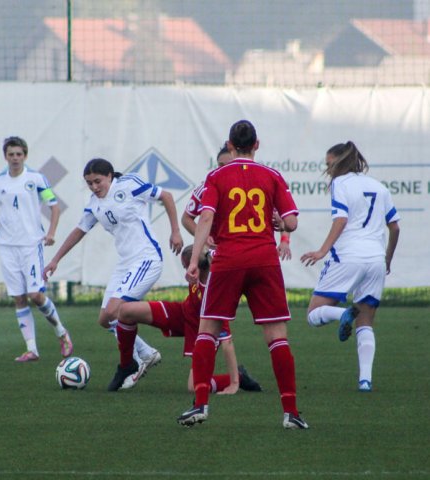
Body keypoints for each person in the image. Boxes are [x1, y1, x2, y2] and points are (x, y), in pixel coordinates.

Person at [177, 120, 308, 429]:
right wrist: (278, 224)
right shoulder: (272, 176)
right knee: (277, 337)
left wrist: (194, 259)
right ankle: (291, 412)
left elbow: (205, 217)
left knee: (207, 330)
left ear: (230, 145)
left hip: (228, 261)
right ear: (257, 145)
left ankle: (200, 405)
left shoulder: (216, 176)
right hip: (264, 260)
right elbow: (291, 222)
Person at [43, 158, 184, 386]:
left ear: (109, 176)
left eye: (98, 181)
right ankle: (146, 353)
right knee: (104, 319)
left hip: (146, 258)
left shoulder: (128, 185)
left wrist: (175, 232)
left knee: (114, 311)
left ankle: (133, 363)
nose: (94, 187)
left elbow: (166, 196)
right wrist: (55, 260)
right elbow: (79, 230)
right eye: (89, 183)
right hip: (125, 264)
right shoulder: (94, 203)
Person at [300, 141, 400, 393]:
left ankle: (342, 313)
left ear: (339, 162)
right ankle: (365, 380)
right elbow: (395, 227)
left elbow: (341, 220)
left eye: (329, 164)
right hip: (376, 259)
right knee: (365, 322)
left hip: (347, 257)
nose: (327, 169)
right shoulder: (379, 187)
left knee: (313, 314)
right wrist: (387, 259)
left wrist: (322, 251)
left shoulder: (340, 183)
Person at [110, 245, 263, 394]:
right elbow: (204, 236)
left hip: (204, 330)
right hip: (184, 313)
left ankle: (239, 377)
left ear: (195, 265)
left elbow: (227, 341)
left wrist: (234, 382)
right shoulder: (204, 260)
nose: (186, 271)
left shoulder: (214, 292)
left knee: (194, 386)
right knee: (126, 311)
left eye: (185, 267)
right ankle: (127, 365)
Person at [0, 136, 72, 362]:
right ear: (5, 156)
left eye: (19, 154)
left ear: (25, 156)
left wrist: (51, 233)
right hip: (7, 246)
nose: (15, 158)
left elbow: (54, 207)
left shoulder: (35, 179)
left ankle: (61, 332)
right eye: (11, 154)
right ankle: (32, 349)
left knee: (35, 295)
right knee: (19, 298)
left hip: (30, 245)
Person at [183, 144, 292, 259]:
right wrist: (203, 237)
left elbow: (285, 219)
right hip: (220, 252)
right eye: (220, 165)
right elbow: (186, 218)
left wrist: (284, 240)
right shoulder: (208, 187)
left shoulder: (258, 186)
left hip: (255, 252)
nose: (224, 169)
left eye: (228, 165)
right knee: (190, 255)